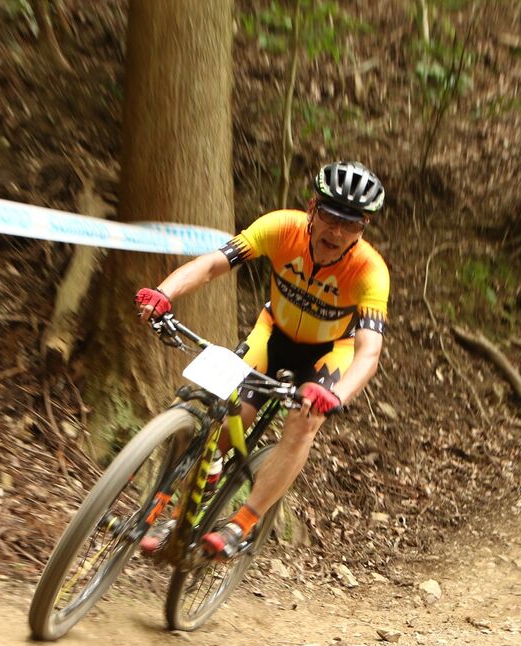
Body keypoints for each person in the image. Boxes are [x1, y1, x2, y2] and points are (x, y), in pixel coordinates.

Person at [134, 160, 389, 561]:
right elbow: (213, 263)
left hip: (327, 353)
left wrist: (336, 395)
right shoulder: (281, 228)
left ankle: (243, 523)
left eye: (351, 224)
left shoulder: (370, 271)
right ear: (312, 207)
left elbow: (369, 351)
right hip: (272, 335)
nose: (338, 232)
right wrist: (164, 293)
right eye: (330, 216)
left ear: (364, 227)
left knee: (304, 423)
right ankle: (182, 515)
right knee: (225, 415)